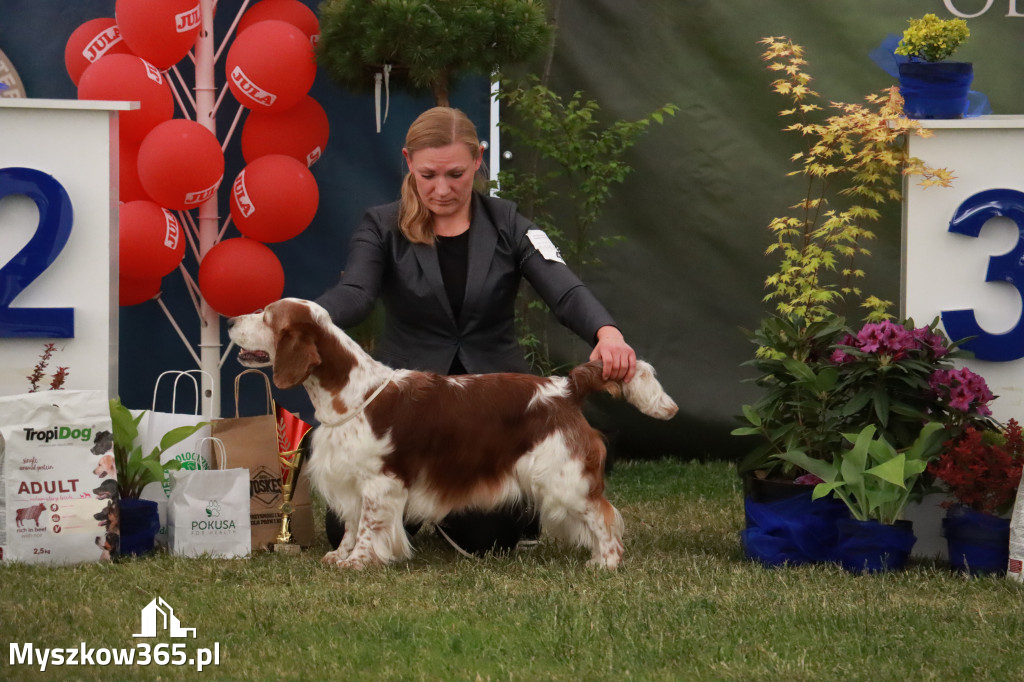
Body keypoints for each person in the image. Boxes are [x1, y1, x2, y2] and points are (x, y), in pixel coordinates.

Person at [315, 106, 637, 555]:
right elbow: (356, 293)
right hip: (407, 412)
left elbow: (562, 289)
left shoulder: (508, 223)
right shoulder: (382, 226)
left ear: (478, 160)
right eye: (427, 174)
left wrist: (606, 332)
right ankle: (421, 509)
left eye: (455, 174)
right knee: (338, 531)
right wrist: (311, 313)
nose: (441, 189)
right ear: (408, 160)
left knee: (488, 540)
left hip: (493, 417)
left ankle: (472, 515)